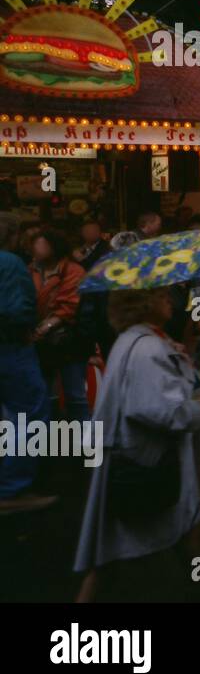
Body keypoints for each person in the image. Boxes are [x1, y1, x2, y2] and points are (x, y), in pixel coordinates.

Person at [73, 288, 200, 601]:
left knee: (180, 527)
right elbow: (154, 407)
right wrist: (199, 410)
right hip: (143, 458)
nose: (169, 300)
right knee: (111, 551)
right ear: (143, 303)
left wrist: (188, 344)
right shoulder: (148, 348)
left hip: (136, 454)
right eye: (161, 296)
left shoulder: (140, 340)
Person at [0, 214, 56, 514]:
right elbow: (19, 309)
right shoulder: (11, 264)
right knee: (30, 413)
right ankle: (11, 488)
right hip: (10, 348)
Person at [29, 229, 89, 422]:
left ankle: (84, 442)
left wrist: (45, 327)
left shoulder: (73, 270)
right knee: (45, 392)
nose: (36, 248)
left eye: (41, 244)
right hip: (39, 341)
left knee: (75, 394)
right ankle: (51, 442)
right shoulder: (31, 269)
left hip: (69, 338)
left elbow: (70, 305)